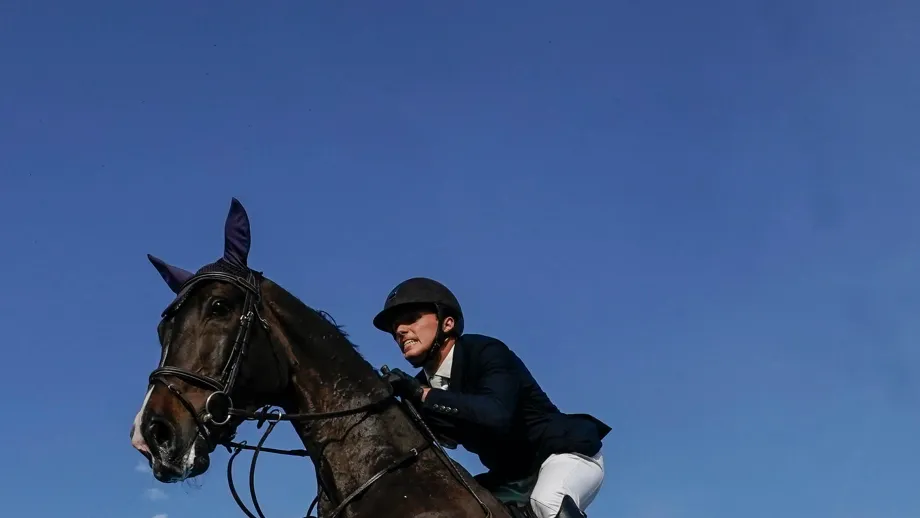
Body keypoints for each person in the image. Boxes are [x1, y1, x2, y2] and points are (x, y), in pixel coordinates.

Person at [372, 277, 611, 518]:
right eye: (395, 328)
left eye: (411, 319)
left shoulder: (486, 352)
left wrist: (422, 395)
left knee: (548, 503)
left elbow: (496, 414)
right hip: (511, 479)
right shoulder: (419, 387)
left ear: (447, 323)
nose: (400, 331)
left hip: (563, 454)